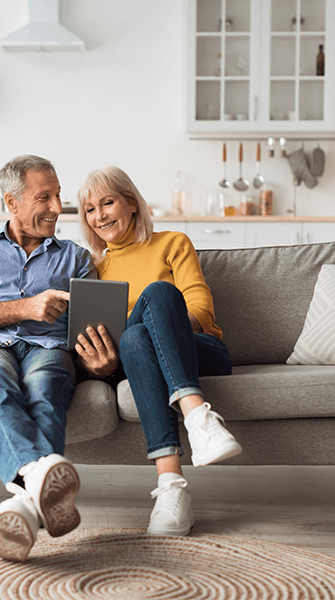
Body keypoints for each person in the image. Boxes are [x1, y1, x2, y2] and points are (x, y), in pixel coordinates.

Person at [75, 166, 242, 537]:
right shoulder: (93, 268)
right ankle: (173, 488)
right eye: (89, 209)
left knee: (160, 294)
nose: (99, 215)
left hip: (200, 350)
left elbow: (200, 310)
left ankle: (198, 419)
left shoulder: (172, 243)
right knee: (134, 340)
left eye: (107, 202)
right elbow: (102, 337)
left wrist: (161, 322)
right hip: (135, 360)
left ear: (131, 204)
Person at [0, 155, 95, 562]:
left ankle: (22, 508)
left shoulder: (77, 258)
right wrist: (29, 308)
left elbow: (92, 326)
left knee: (46, 388)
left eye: (58, 195)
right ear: (12, 203)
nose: (56, 207)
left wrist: (102, 358)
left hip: (48, 349)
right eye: (43, 197)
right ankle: (35, 474)